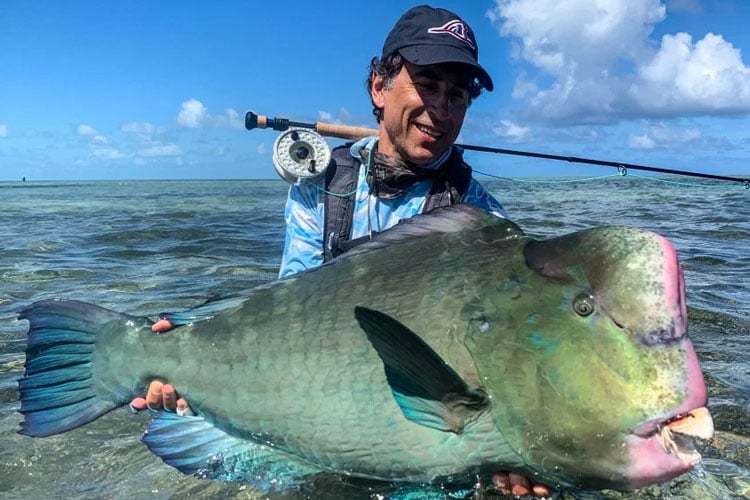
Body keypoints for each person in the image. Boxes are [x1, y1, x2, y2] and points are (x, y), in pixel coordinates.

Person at [132, 5, 551, 498]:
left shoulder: (483, 220)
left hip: (427, 432)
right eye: (426, 82)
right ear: (379, 86)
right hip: (324, 406)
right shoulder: (322, 184)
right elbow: (286, 308)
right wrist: (188, 346)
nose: (441, 106)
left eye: (456, 93)